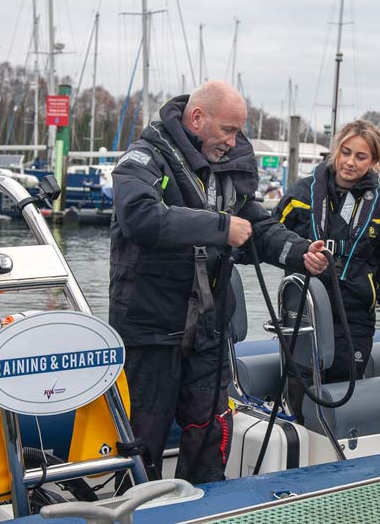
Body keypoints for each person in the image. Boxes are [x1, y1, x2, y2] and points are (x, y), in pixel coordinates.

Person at [109, 80, 328, 483]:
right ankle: (139, 507)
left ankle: (205, 504)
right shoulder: (143, 159)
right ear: (197, 118)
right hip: (151, 329)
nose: (234, 140)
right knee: (143, 437)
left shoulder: (229, 171)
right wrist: (220, 226)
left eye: (238, 130)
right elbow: (139, 216)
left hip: (208, 329)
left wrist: (300, 252)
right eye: (228, 129)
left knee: (209, 430)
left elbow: (257, 227)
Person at [275, 119, 380, 410]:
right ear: (336, 151)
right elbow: (269, 239)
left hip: (354, 316)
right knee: (300, 392)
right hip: (304, 311)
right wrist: (299, 253)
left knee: (343, 392)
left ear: (373, 161)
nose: (350, 162)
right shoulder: (300, 195)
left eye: (360, 157)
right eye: (345, 152)